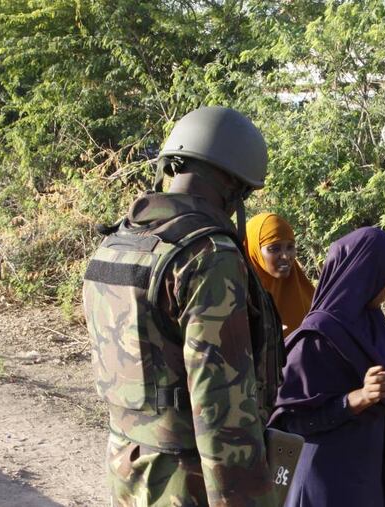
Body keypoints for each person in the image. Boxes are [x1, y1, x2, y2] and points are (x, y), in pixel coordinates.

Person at [82, 106, 283, 507]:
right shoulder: (208, 256)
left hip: (129, 462)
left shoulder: (119, 243)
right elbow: (221, 407)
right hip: (186, 479)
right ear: (234, 184)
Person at [269, 227, 385, 507]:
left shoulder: (373, 326)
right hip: (323, 481)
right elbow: (290, 421)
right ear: (366, 272)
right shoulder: (316, 337)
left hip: (362, 474)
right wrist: (355, 399)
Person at [245, 213, 315, 337]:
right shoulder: (238, 300)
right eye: (274, 249)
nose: (285, 256)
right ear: (253, 251)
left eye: (290, 247)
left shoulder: (308, 296)